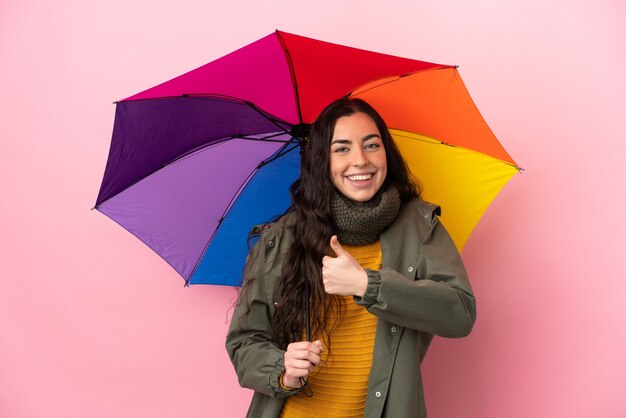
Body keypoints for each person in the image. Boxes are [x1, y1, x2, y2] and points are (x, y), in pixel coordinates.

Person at [226, 97, 476, 418]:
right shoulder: (283, 238)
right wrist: (283, 369)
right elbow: (244, 341)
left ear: (386, 151)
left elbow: (460, 313)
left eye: (371, 145)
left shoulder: (420, 227)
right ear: (321, 161)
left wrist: (367, 285)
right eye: (341, 149)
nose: (360, 160)